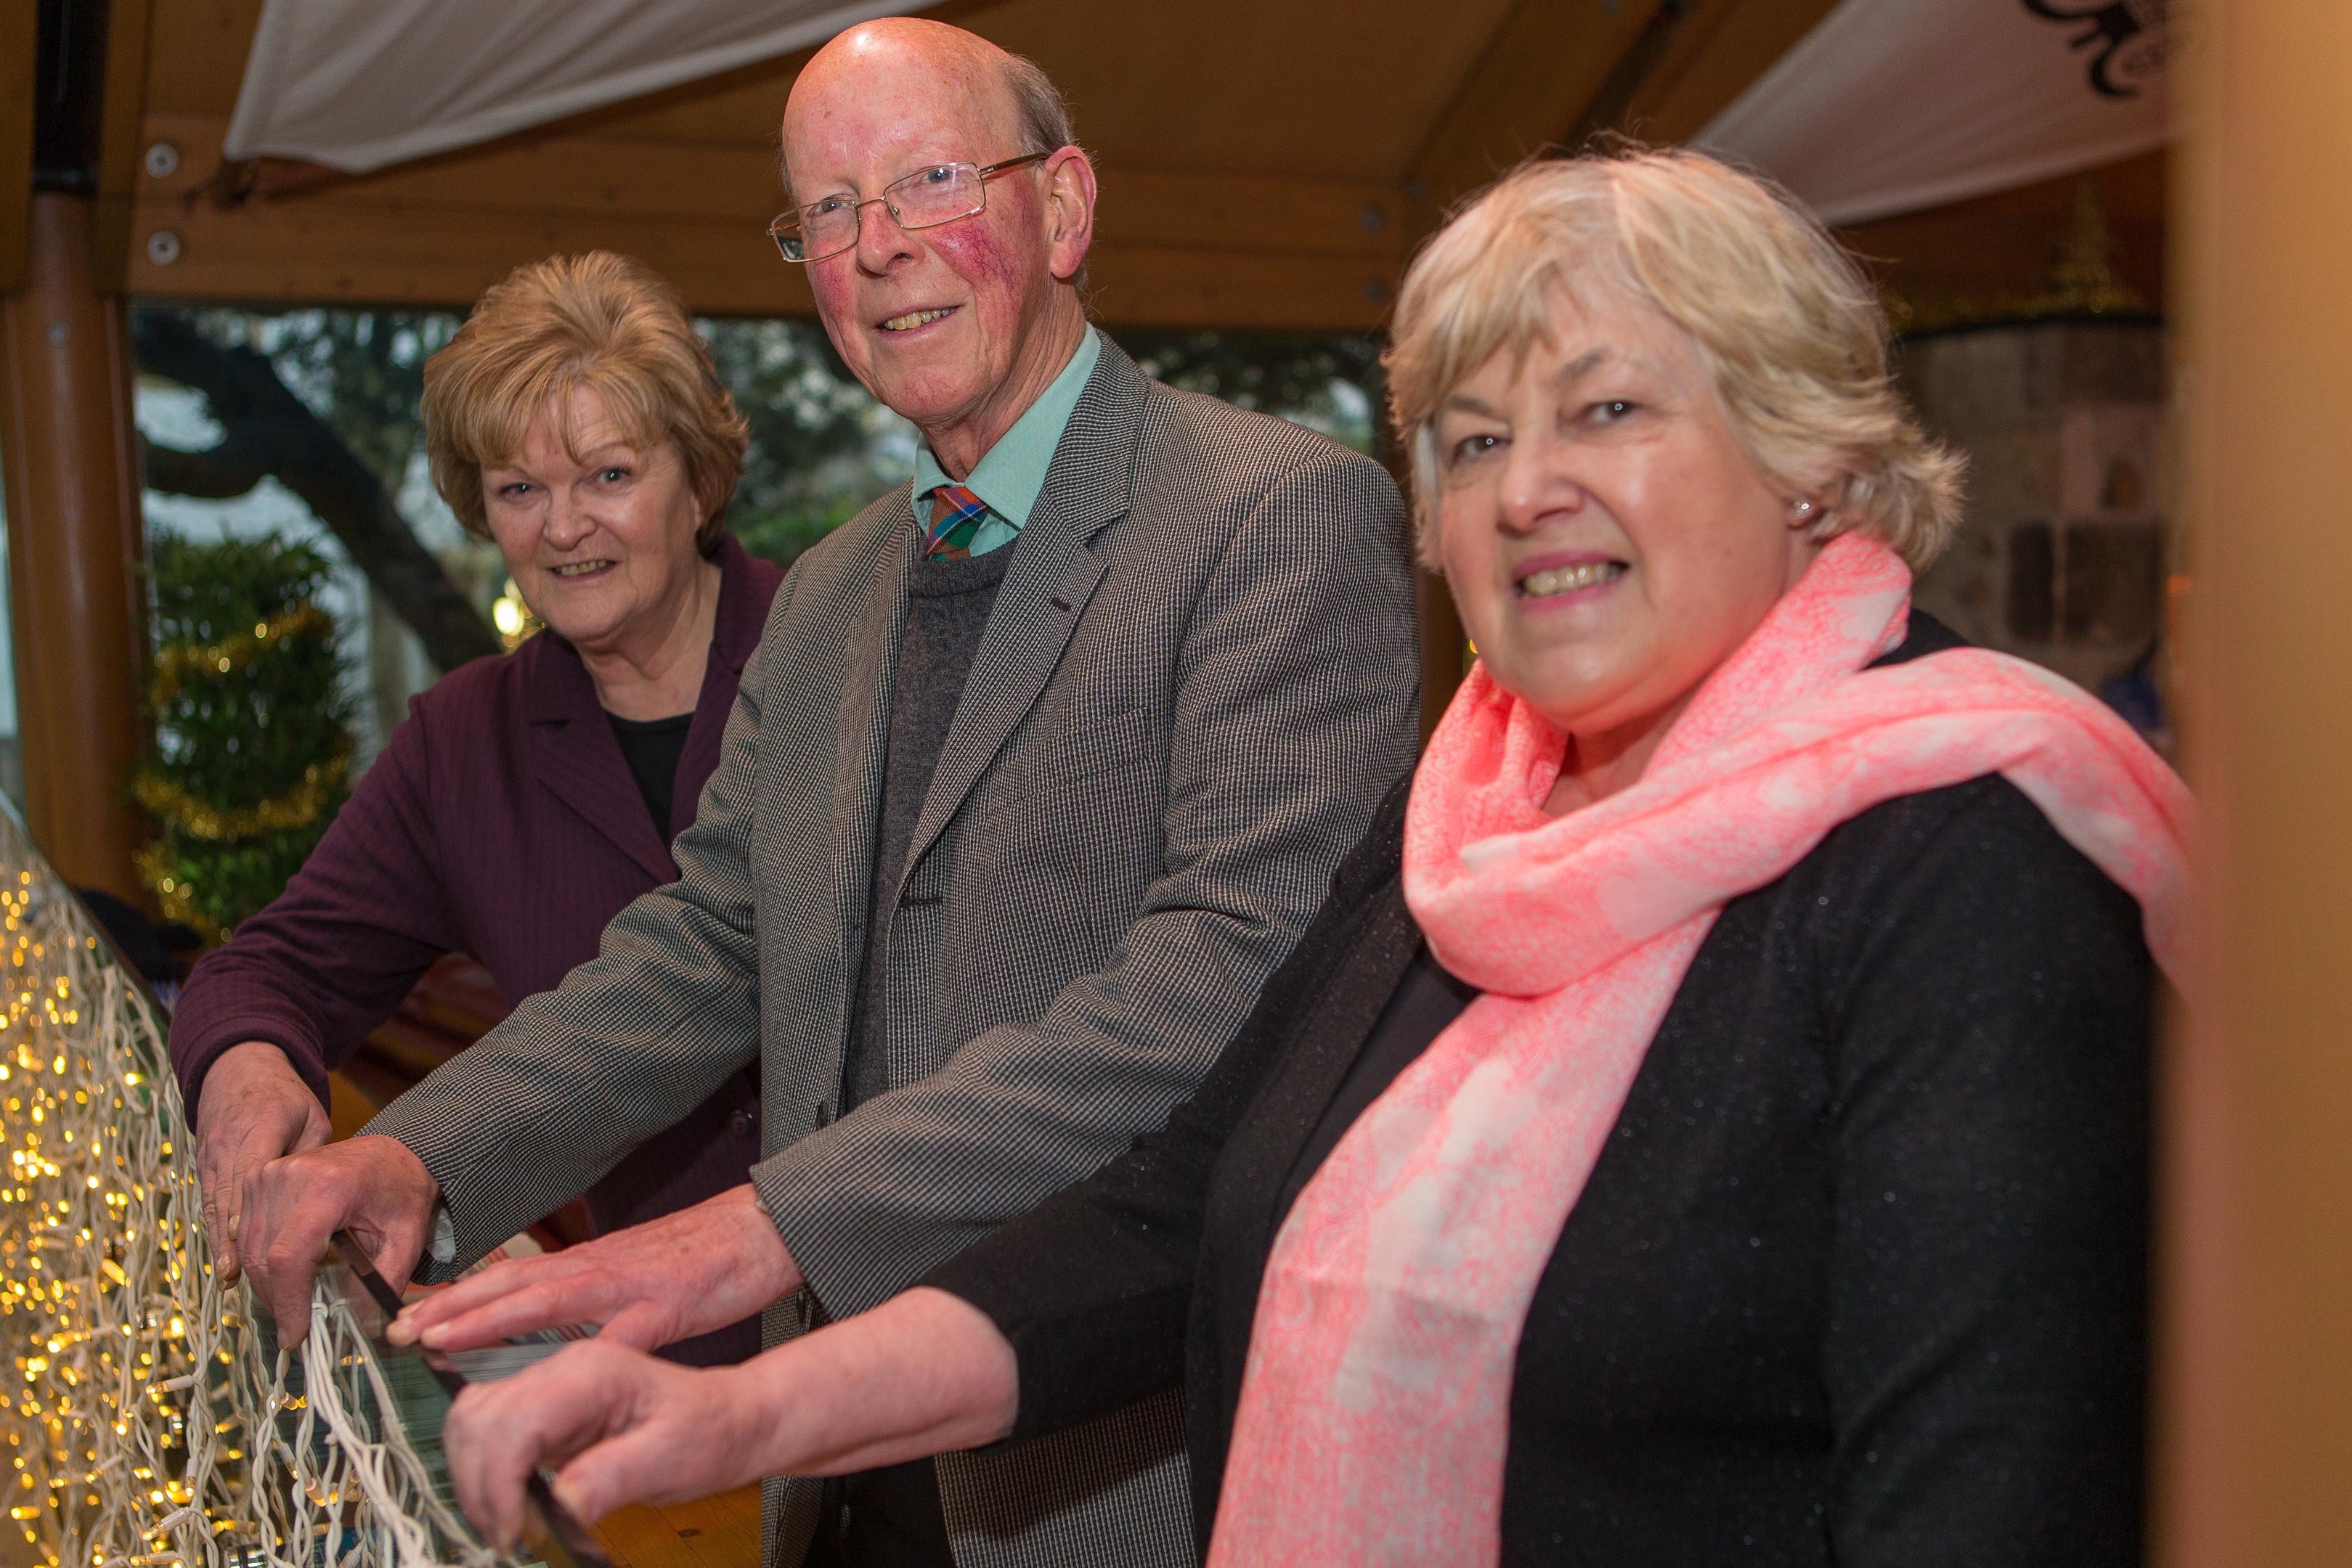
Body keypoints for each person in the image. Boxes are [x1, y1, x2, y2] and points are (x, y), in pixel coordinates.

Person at [436, 147, 2192, 1568]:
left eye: (1610, 413)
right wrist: (743, 1415)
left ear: (1810, 458)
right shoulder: (1471, 813)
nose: (1525, 491)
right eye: (1475, 438)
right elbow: (1171, 1213)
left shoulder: (1973, 861)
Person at [234, 16, 1419, 1568]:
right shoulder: (843, 584)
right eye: (829, 214)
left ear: (1063, 210)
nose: (879, 250)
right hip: (836, 1477)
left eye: (930, 180)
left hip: (1109, 1466)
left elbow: (1224, 982)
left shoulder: (1277, 512)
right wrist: (427, 1156)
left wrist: (765, 1226)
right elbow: (717, 934)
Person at [170, 250, 783, 1365]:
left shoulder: (841, 656)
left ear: (696, 480)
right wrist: (246, 1067)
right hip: (654, 1368)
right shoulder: (467, 740)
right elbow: (270, 969)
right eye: (518, 490)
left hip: (915, 1323)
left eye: (607, 475)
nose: (562, 529)